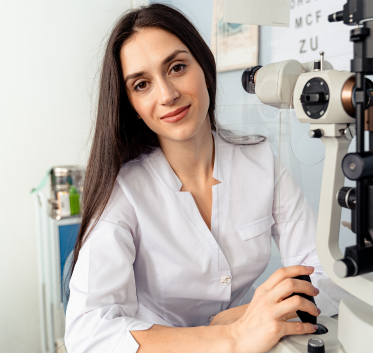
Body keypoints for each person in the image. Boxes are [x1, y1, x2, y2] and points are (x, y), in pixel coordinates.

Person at [65, 4, 348, 353]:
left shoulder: (260, 161)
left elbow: (323, 269)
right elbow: (88, 332)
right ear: (131, 106)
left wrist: (243, 319)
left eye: (178, 67)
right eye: (142, 84)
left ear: (204, 67)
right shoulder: (123, 193)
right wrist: (231, 336)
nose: (167, 95)